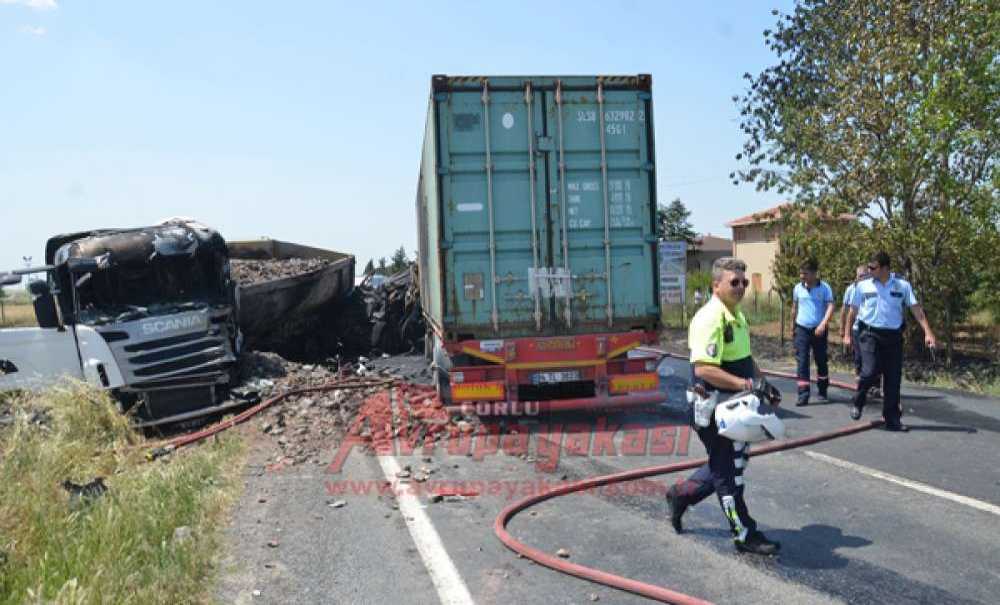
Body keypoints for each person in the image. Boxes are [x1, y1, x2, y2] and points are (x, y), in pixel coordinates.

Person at [665, 257, 783, 555]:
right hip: (714, 411)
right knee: (729, 475)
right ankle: (745, 534)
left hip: (736, 410)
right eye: (734, 282)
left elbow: (745, 358)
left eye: (744, 282)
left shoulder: (736, 315)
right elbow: (704, 368)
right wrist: (746, 384)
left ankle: (681, 495)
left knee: (728, 465)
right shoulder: (709, 318)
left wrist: (763, 383)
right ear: (715, 285)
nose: (741, 287)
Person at [844, 251, 937, 431]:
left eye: (873, 267)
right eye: (868, 267)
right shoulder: (863, 286)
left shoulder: (902, 286)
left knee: (893, 378)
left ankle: (892, 419)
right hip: (869, 334)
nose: (869, 270)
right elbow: (852, 312)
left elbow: (916, 309)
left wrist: (928, 332)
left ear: (885, 268)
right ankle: (859, 401)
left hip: (893, 336)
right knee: (869, 371)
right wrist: (847, 335)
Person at [790, 259, 835, 406]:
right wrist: (792, 327)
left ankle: (822, 391)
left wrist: (823, 324)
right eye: (801, 273)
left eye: (805, 273)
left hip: (818, 330)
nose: (802, 276)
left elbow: (830, 307)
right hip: (802, 329)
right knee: (802, 361)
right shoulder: (798, 288)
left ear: (815, 274)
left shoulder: (825, 288)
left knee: (821, 360)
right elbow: (794, 308)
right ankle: (803, 394)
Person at [840, 264, 870, 377]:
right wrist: (843, 330)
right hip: (856, 327)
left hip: (869, 327)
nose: (861, 278)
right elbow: (845, 310)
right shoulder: (851, 289)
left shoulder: (872, 288)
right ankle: (859, 376)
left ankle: (870, 381)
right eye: (859, 275)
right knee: (858, 356)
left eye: (864, 275)